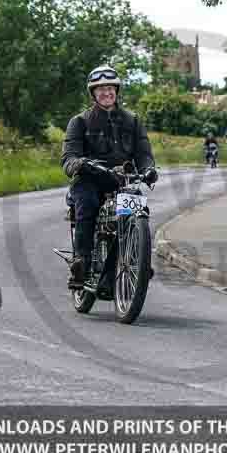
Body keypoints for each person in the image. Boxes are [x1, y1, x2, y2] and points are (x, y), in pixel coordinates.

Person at [60, 65, 159, 289]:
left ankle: (138, 258)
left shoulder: (132, 121)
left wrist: (148, 170)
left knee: (137, 210)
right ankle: (82, 263)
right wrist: (81, 163)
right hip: (89, 179)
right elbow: (68, 158)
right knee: (88, 204)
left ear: (117, 90)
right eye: (100, 89)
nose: (106, 92)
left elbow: (143, 154)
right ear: (93, 93)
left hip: (120, 181)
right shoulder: (80, 122)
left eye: (110, 88)